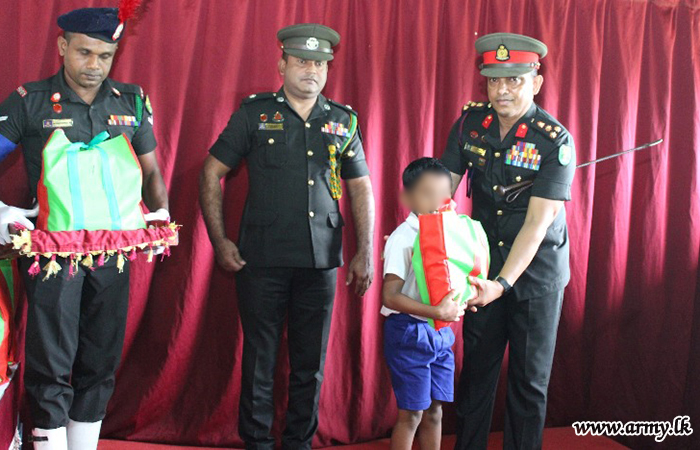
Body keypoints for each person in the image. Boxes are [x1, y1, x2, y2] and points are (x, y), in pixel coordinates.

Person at [199, 23, 375, 450]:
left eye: (319, 64)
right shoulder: (255, 114)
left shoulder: (342, 120)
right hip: (262, 260)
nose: (311, 70)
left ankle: (299, 442)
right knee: (259, 361)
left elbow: (360, 187)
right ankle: (257, 443)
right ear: (282, 65)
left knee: (310, 365)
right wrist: (220, 241)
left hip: (321, 261)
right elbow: (210, 173)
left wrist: (365, 251)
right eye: (301, 61)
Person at [0, 7, 168, 450]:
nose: (94, 65)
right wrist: (1, 212)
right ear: (62, 47)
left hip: (112, 252)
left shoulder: (131, 101)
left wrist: (160, 213)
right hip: (53, 254)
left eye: (105, 56)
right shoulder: (30, 100)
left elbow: (152, 171)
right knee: (51, 360)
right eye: (84, 52)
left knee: (100, 358)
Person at [440, 33, 576, 449]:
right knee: (475, 376)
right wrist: (417, 233)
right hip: (483, 270)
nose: (502, 89)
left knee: (528, 383)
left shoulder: (553, 140)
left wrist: (502, 285)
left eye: (514, 79)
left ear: (536, 82)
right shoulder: (470, 124)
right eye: (494, 80)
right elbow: (442, 190)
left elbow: (537, 224)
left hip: (535, 277)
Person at [381, 157, 468, 450]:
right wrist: (436, 311)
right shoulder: (403, 238)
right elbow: (390, 296)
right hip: (409, 331)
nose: (436, 202)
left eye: (443, 194)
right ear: (408, 197)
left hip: (440, 331)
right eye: (426, 194)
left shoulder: (449, 234)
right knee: (412, 414)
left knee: (435, 410)